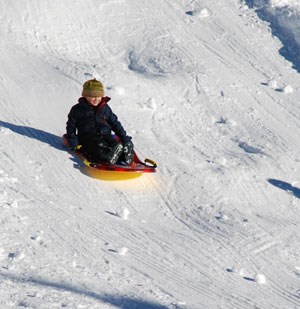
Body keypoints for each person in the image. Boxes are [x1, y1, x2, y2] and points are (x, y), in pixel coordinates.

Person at [65, 78, 134, 165]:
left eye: (98, 96)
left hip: (106, 135)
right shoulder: (77, 109)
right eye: (93, 96)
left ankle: (125, 155)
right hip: (88, 137)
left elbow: (115, 123)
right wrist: (72, 140)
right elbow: (71, 125)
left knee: (114, 144)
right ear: (85, 96)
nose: (96, 99)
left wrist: (124, 137)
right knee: (98, 149)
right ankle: (108, 156)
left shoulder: (105, 108)